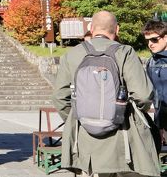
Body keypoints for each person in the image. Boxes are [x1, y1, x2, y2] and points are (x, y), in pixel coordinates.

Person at [53, 10, 160, 177]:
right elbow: (144, 95)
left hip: (85, 142)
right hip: (123, 139)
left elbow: (60, 97)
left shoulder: (72, 55)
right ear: (117, 30)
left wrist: (80, 118)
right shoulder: (125, 52)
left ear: (91, 28)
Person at [143, 20, 167, 138]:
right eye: (147, 40)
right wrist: (160, 125)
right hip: (161, 123)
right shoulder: (151, 63)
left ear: (166, 37)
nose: (150, 44)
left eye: (154, 39)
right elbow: (156, 98)